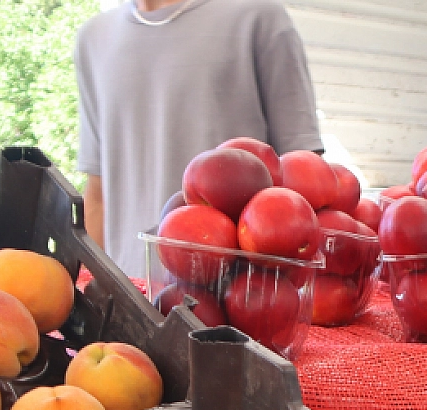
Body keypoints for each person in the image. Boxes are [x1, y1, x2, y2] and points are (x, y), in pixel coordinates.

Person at [75, 0, 324, 278]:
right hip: (126, 298)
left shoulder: (259, 16)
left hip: (233, 300)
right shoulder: (93, 37)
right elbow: (97, 190)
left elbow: (307, 177)